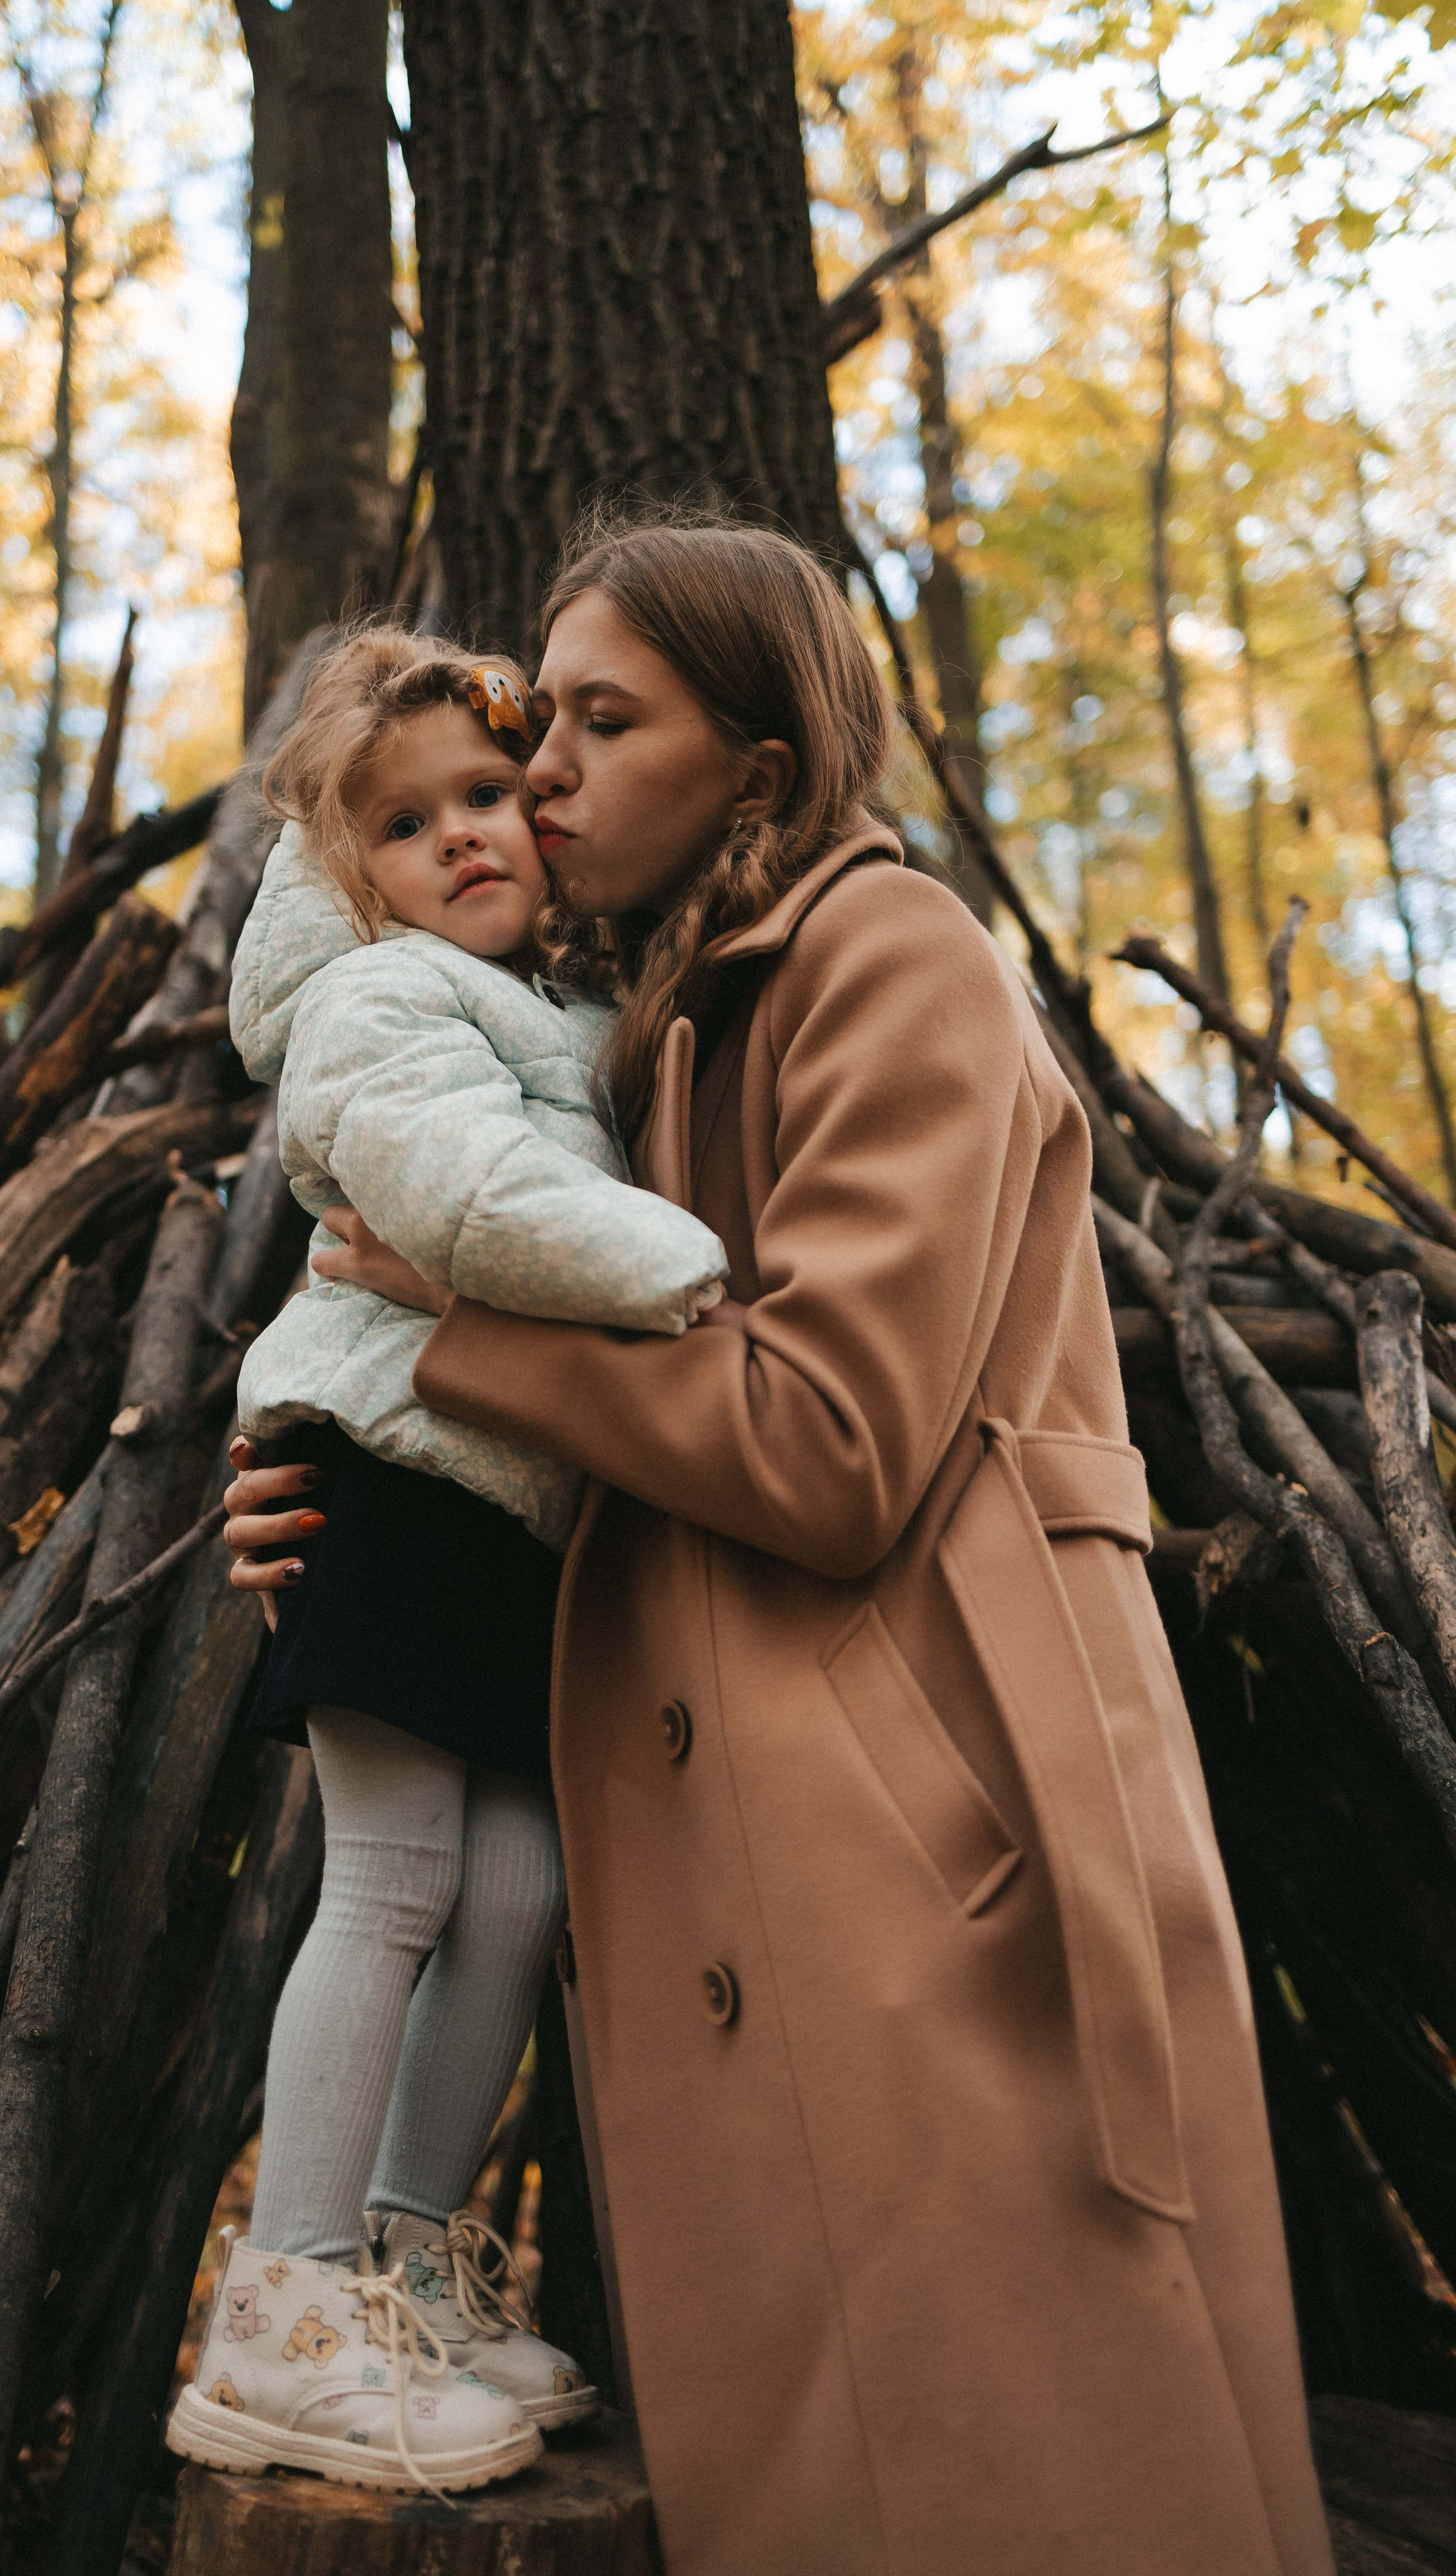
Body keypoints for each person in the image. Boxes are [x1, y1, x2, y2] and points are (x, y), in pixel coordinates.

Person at [224, 513, 1335, 2576]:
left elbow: (827, 1439)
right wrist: (338, 1454)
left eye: (602, 721)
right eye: (529, 722)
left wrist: (459, 1353)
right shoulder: (630, 1028)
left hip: (939, 1835)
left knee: (1039, 2479)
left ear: (758, 758)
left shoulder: (886, 954)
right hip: (772, 1829)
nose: (541, 770)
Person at [169, 625, 729, 2497]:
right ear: (354, 884)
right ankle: (286, 2307)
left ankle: (411, 2262)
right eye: (409, 827)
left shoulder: (549, 1014)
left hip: (492, 1499)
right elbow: (473, 1203)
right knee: (399, 1871)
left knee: (513, 1883)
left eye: (488, 795)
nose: (470, 837)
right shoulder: (387, 1010)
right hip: (388, 1474)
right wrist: (684, 1278)